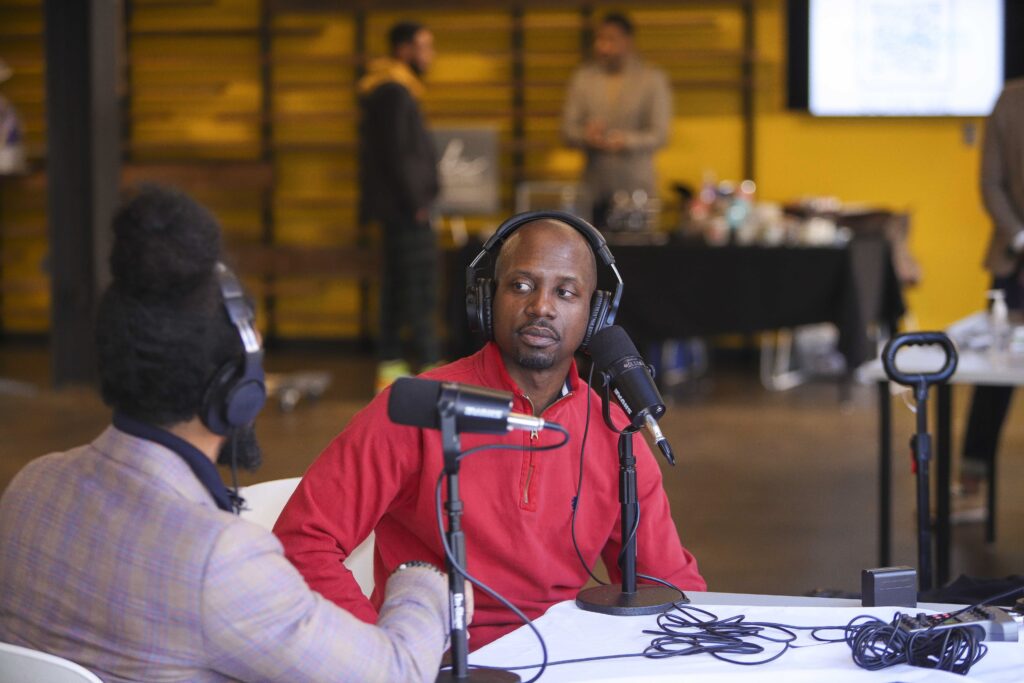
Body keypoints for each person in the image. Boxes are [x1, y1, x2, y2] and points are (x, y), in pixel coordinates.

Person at [0, 186, 456, 682]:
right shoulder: (218, 559)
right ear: (236, 389)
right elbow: (398, 673)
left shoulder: (31, 487)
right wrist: (422, 578)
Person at [274, 214, 706, 651]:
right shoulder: (415, 408)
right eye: (521, 285)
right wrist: (383, 655)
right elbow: (302, 542)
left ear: (595, 315)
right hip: (435, 665)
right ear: (485, 298)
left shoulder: (618, 435)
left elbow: (667, 588)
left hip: (566, 663)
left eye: (565, 291)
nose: (541, 306)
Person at [358, 21, 441, 393]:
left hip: (399, 209)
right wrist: (417, 202)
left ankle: (390, 367)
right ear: (404, 50)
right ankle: (429, 364)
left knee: (396, 287)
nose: (431, 55)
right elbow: (399, 154)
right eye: (425, 47)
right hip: (407, 210)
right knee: (417, 288)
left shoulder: (393, 88)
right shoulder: (394, 91)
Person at [959, 78, 1024, 518]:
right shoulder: (1011, 100)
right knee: (993, 378)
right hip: (1014, 260)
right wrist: (1020, 236)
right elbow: (991, 183)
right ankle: (971, 488)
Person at [561, 12, 672, 228]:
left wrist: (625, 140)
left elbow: (660, 134)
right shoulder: (583, 78)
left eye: (610, 39)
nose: (603, 46)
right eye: (600, 39)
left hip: (636, 190)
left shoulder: (652, 79)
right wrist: (587, 135)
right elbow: (567, 131)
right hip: (594, 189)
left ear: (628, 41)